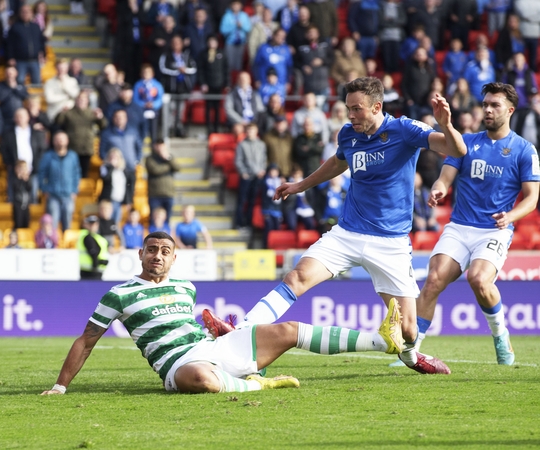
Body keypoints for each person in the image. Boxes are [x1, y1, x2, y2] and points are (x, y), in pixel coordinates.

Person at [203, 77, 467, 376]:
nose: (350, 115)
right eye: (347, 108)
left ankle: (409, 354)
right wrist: (300, 185)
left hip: (390, 242)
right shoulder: (348, 134)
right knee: (297, 277)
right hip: (347, 233)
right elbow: (338, 162)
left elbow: (457, 151)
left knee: (407, 330)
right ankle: (242, 330)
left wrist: (446, 124)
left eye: (357, 109)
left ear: (376, 107)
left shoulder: (404, 130)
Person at [42, 231, 405, 395]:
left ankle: (381, 339)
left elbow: (195, 329)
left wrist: (218, 330)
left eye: (164, 251)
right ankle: (254, 385)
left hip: (215, 349)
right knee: (200, 379)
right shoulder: (119, 294)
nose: (157, 255)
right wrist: (61, 386)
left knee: (288, 329)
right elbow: (86, 341)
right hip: (178, 365)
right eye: (151, 249)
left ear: (173, 257)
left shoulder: (185, 287)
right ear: (140, 254)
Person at [414, 82, 540, 367]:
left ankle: (500, 336)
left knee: (479, 280)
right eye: (485, 104)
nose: (488, 110)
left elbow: (531, 199)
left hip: (494, 229)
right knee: (433, 281)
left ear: (509, 110)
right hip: (460, 226)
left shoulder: (524, 150)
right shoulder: (467, 142)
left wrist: (510, 217)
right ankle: (413, 351)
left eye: (494, 105)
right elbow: (444, 178)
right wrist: (438, 189)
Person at [39, 132, 81, 232]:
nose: (60, 141)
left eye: (62, 139)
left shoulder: (73, 156)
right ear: (53, 142)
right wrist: (44, 189)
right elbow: (41, 174)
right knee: (53, 222)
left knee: (68, 222)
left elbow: (77, 174)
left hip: (68, 195)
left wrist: (75, 190)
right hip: (53, 195)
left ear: (67, 141)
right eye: (57, 139)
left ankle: (66, 244)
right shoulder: (48, 156)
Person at [57, 91, 106, 177]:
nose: (81, 101)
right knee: (70, 174)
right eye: (79, 99)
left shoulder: (92, 112)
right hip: (72, 149)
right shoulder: (69, 112)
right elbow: (58, 122)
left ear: (87, 101)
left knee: (84, 175)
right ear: (76, 100)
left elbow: (103, 125)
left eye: (83, 99)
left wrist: (100, 117)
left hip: (86, 149)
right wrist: (61, 113)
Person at [234, 122, 267, 229]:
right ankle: (239, 223)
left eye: (252, 130)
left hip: (257, 177)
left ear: (256, 131)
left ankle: (249, 223)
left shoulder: (261, 144)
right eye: (248, 130)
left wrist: (262, 170)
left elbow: (264, 159)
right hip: (246, 176)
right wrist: (243, 172)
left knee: (252, 201)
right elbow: (238, 161)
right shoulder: (242, 144)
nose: (250, 132)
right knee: (242, 201)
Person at [6, 4, 46, 85]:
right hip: (20, 61)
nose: (25, 14)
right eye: (23, 12)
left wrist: (43, 54)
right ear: (20, 13)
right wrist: (10, 57)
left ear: (31, 13)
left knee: (37, 82)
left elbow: (41, 42)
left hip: (35, 61)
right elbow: (9, 44)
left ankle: (35, 98)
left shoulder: (36, 27)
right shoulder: (15, 27)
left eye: (27, 12)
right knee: (20, 81)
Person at [145, 139, 179, 225]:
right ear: (154, 146)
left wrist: (168, 158)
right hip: (155, 194)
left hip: (168, 193)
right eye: (158, 145)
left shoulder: (169, 157)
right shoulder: (150, 158)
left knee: (167, 219)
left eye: (162, 145)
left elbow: (177, 167)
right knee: (154, 219)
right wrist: (168, 166)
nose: (160, 148)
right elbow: (155, 170)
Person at [99, 148, 133, 225]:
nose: (114, 159)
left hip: (119, 201)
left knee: (116, 223)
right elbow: (105, 178)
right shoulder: (105, 167)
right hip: (108, 201)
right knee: (107, 222)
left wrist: (128, 201)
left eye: (116, 157)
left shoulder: (123, 170)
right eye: (112, 157)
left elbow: (127, 186)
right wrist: (111, 167)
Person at [78, 215, 110, 280]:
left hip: (97, 271)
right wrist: (97, 264)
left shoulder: (98, 237)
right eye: (90, 224)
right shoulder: (87, 237)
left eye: (94, 224)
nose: (92, 226)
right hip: (89, 272)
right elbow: (94, 253)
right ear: (86, 225)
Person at [11, 160, 32, 229]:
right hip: (18, 205)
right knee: (18, 224)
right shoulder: (14, 179)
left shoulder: (27, 179)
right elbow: (15, 189)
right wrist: (20, 178)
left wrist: (26, 180)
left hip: (26, 205)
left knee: (26, 224)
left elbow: (29, 188)